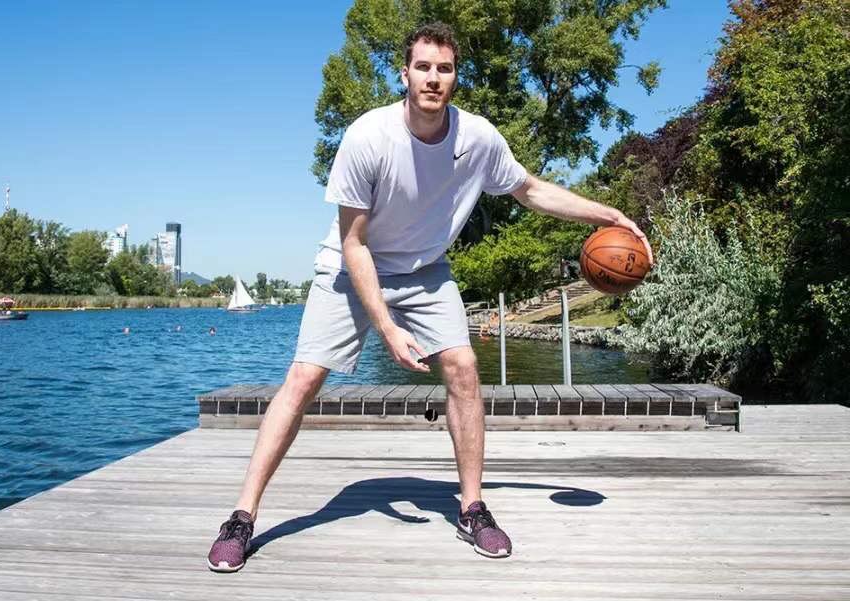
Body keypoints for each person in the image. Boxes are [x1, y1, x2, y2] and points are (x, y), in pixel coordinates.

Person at [207, 22, 652, 573]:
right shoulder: (368, 137)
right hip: (351, 266)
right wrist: (388, 328)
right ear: (405, 74)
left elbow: (530, 189)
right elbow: (354, 244)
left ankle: (472, 508)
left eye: (444, 68)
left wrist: (609, 215)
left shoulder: (478, 138)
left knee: (463, 367)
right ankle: (241, 516)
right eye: (423, 67)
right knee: (303, 377)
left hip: (425, 271)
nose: (433, 78)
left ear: (455, 77)